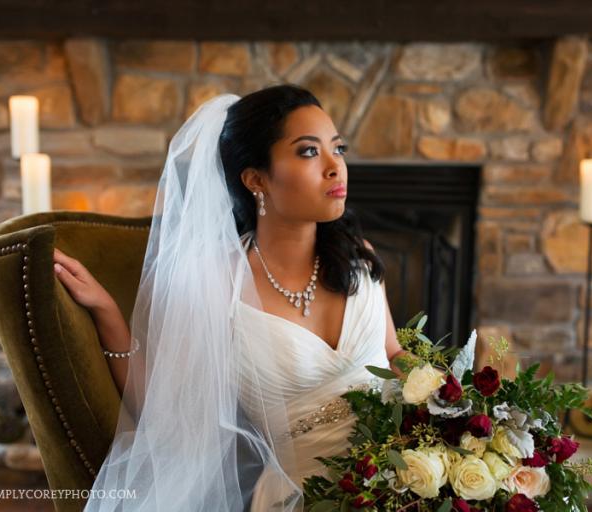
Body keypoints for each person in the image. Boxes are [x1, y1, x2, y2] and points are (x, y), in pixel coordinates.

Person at [52, 84, 408, 511]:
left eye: (339, 148)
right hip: (306, 498)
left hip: (408, 478)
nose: (336, 167)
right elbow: (167, 409)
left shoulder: (358, 257)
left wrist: (455, 410)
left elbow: (393, 355)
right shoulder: (216, 282)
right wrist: (109, 316)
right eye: (309, 152)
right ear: (256, 179)